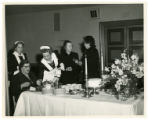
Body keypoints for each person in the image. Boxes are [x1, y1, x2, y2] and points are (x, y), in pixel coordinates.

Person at [7, 41, 28, 115]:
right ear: (15, 48)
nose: (20, 49)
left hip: (24, 76)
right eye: (19, 47)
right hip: (16, 77)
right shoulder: (12, 56)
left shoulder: (24, 55)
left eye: (22, 47)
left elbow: (27, 66)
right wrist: (18, 69)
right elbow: (10, 69)